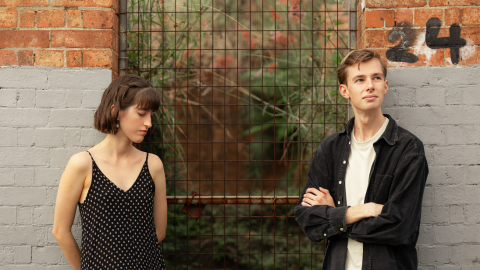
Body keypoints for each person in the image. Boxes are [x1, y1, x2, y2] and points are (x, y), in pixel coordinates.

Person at [295, 49, 428, 270]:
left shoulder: (408, 149)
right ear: (344, 90)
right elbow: (307, 218)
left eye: (376, 77)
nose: (370, 85)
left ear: (385, 86)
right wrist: (362, 210)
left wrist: (336, 216)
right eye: (360, 79)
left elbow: (400, 227)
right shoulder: (330, 149)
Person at [52, 74, 167, 269]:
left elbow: (159, 231)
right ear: (115, 111)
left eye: (151, 115)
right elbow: (60, 231)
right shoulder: (82, 164)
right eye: (141, 113)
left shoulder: (153, 165)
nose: (149, 123)